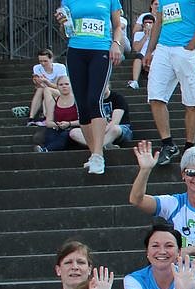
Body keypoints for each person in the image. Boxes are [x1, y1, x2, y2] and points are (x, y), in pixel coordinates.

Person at [54, 0, 124, 174]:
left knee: (94, 100)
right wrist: (62, 23)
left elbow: (117, 25)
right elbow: (66, 31)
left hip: (100, 50)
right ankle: (95, 155)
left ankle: (99, 154)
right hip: (76, 51)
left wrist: (116, 43)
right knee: (82, 105)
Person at [129, 143, 195, 254]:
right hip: (178, 263)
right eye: (191, 173)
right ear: (183, 175)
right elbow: (136, 200)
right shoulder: (174, 203)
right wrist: (145, 170)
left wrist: (184, 251)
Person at [145, 0, 195, 166]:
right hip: (163, 48)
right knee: (155, 95)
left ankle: (189, 146)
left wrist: (191, 45)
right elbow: (159, 22)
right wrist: (149, 50)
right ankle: (168, 143)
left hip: (187, 49)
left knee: (192, 101)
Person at [68, 85, 131, 150]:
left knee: (114, 129)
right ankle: (104, 145)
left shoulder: (118, 98)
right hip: (97, 131)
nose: (101, 89)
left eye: (103, 86)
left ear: (108, 85)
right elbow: (87, 121)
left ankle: (98, 147)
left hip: (120, 130)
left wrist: (100, 132)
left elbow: (115, 122)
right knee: (74, 132)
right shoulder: (92, 101)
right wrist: (69, 123)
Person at [33, 76, 79, 153]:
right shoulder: (53, 101)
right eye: (61, 85)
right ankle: (49, 148)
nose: (64, 86)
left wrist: (69, 124)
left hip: (74, 128)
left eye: (67, 84)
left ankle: (46, 149)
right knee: (46, 135)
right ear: (57, 87)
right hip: (59, 127)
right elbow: (48, 122)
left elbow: (85, 120)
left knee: (65, 135)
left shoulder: (77, 101)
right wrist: (57, 125)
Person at [26, 49, 67, 126]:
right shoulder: (37, 68)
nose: (43, 63)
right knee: (41, 89)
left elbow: (61, 87)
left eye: (45, 61)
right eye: (40, 61)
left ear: (51, 59)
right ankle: (31, 117)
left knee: (46, 89)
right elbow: (39, 86)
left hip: (59, 92)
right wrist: (37, 82)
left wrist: (47, 82)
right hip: (46, 90)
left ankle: (47, 116)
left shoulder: (60, 67)